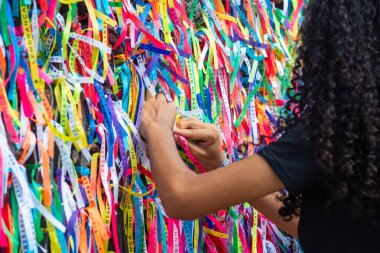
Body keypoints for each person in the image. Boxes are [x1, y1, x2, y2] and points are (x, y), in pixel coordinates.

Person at [139, 0, 380, 252]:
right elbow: (317, 228)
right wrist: (219, 165)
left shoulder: (338, 134)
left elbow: (182, 198)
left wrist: (157, 129)